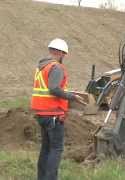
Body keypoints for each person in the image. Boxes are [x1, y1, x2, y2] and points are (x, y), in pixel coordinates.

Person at [31, 38, 84, 180]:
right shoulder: (56, 67)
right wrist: (71, 97)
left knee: (46, 148)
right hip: (53, 114)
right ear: (60, 52)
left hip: (42, 113)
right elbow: (54, 88)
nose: (64, 57)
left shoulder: (41, 67)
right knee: (56, 149)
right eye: (64, 54)